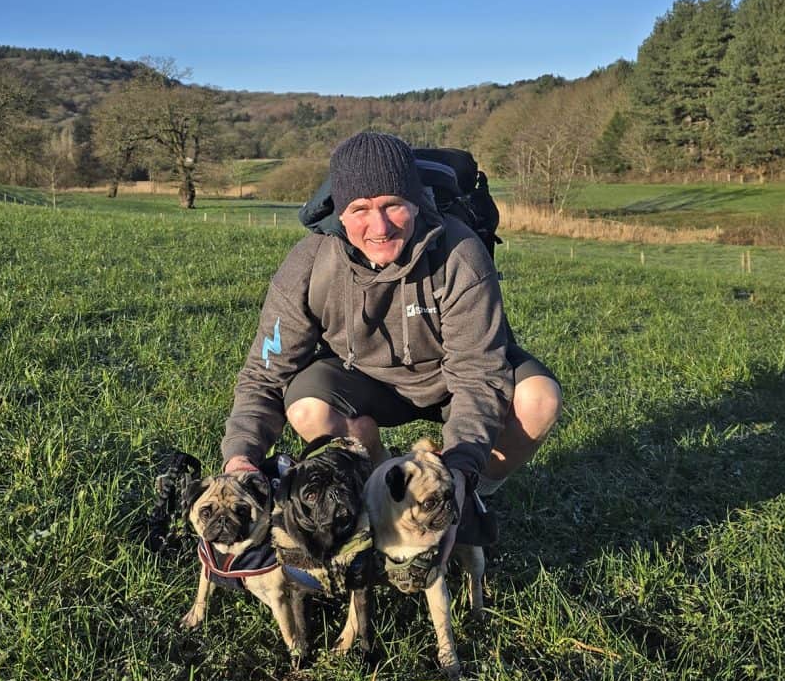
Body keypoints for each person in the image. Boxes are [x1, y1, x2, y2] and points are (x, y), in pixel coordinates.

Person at [220, 132, 561, 534]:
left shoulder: (461, 253)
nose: (379, 226)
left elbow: (479, 374)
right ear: (339, 213)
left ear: (415, 202)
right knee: (307, 408)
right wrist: (240, 458)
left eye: (392, 205)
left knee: (539, 398)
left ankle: (475, 492)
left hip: (452, 379)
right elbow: (264, 375)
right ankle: (378, 480)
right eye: (360, 209)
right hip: (365, 380)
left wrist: (458, 473)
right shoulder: (309, 264)